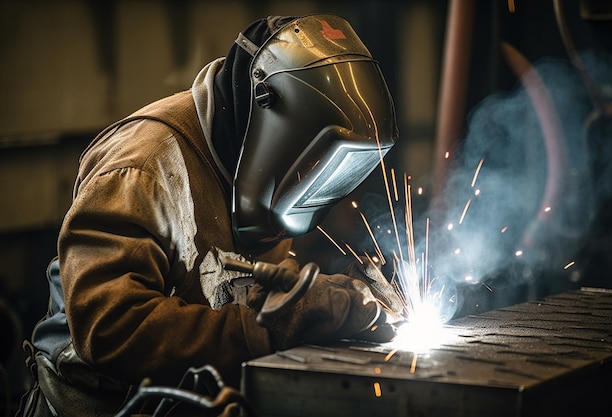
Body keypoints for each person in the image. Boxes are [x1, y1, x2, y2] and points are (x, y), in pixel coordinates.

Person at [16, 14, 401, 417]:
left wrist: (327, 298)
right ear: (272, 118)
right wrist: (265, 329)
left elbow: (246, 287)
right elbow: (111, 328)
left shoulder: (257, 168)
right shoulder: (143, 170)